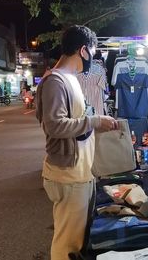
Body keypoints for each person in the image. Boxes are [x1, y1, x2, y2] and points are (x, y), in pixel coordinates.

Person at [35, 25, 118, 260]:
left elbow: (73, 121)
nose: (93, 58)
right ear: (83, 50)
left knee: (77, 238)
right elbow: (54, 125)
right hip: (68, 174)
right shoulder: (55, 81)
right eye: (92, 51)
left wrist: (92, 122)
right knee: (67, 243)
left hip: (79, 172)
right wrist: (94, 121)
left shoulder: (69, 79)